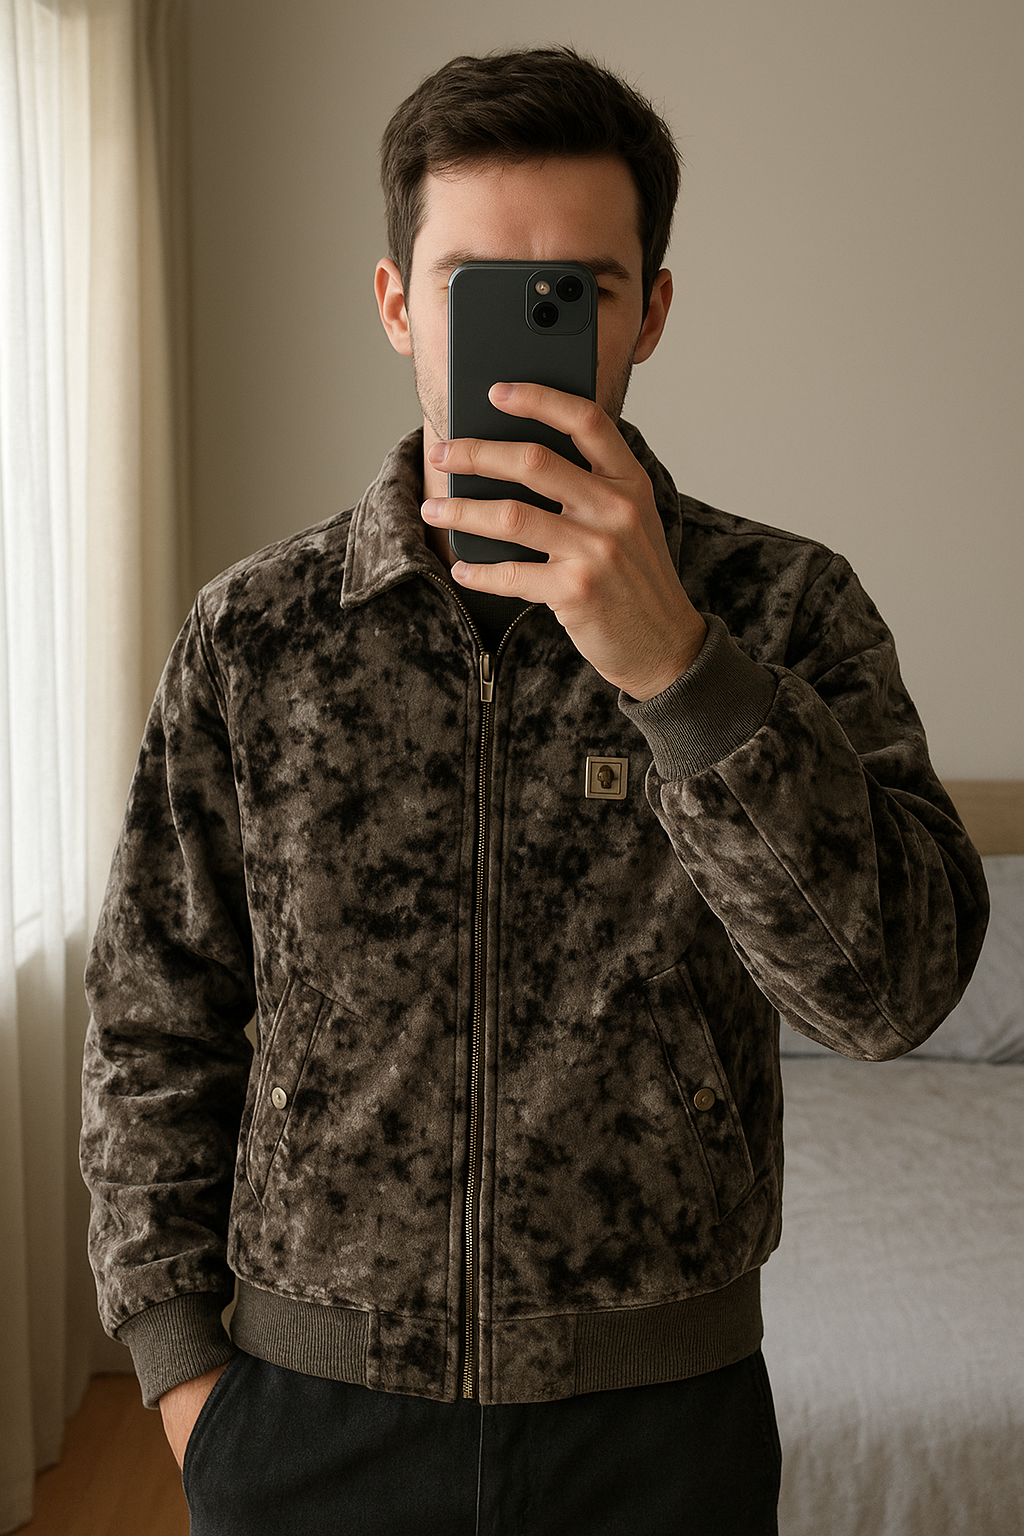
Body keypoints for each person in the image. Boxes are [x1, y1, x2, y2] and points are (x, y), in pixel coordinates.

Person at [81, 46, 988, 1536]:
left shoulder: (785, 610)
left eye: (576, 292)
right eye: (474, 288)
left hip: (660, 1423)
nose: (520, 343)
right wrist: (186, 1376)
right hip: (305, 1413)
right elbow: (152, 1016)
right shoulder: (259, 634)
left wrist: (681, 671)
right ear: (397, 305)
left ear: (650, 313)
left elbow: (890, 998)